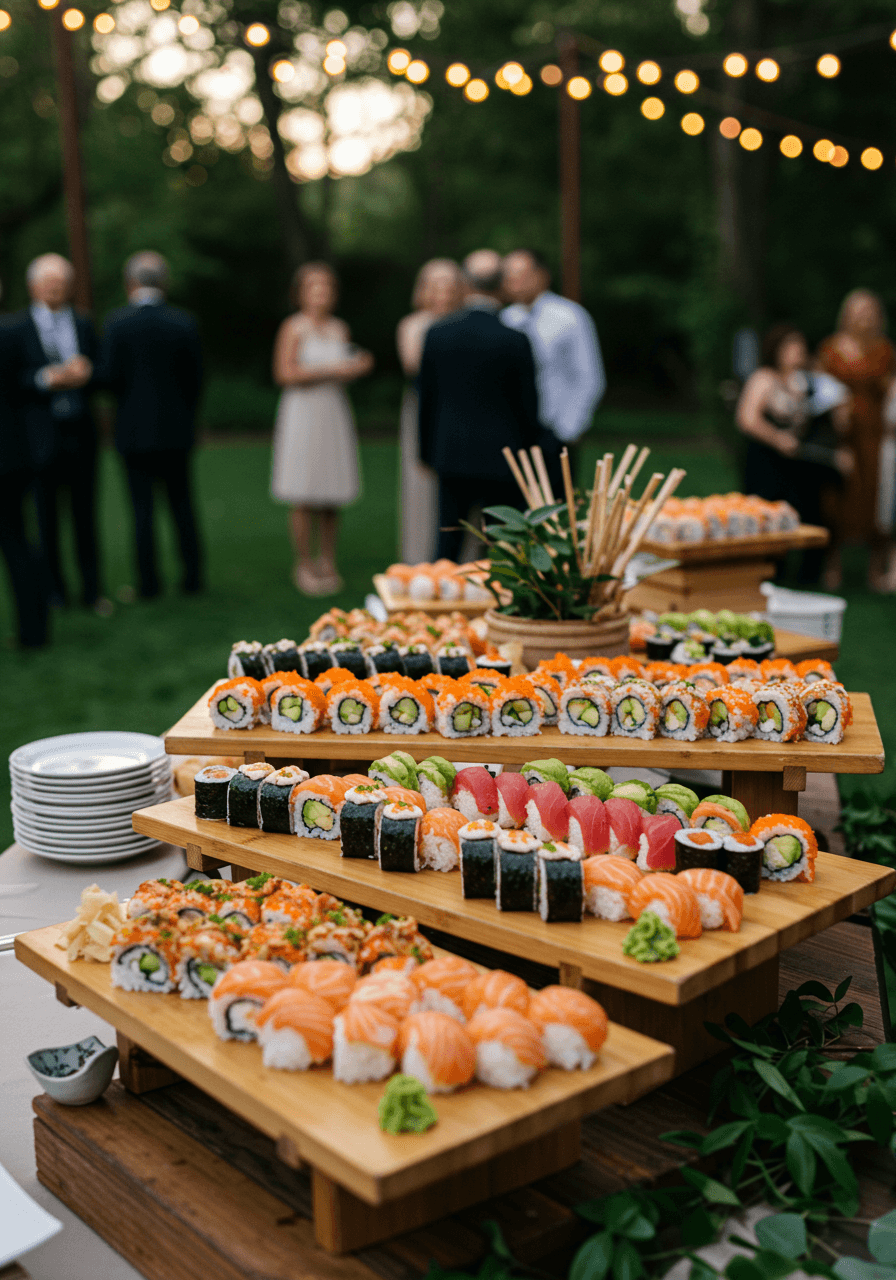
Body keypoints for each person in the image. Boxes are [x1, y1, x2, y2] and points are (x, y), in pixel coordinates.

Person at [418, 248, 541, 561]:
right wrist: (529, 452)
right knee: (501, 548)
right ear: (501, 287)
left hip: (451, 453)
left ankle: (442, 591)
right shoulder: (515, 339)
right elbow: (528, 406)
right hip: (504, 458)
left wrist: (426, 452)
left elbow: (427, 399)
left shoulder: (437, 334)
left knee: (447, 543)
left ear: (465, 285)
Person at [100, 251, 204, 599]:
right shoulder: (183, 322)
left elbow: (108, 378)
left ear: (130, 283)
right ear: (164, 282)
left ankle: (149, 584)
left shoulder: (117, 323)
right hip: (176, 432)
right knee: (183, 506)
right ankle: (193, 579)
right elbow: (195, 381)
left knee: (141, 510)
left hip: (134, 433)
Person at [9, 253, 107, 614]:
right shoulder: (16, 328)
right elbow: (11, 381)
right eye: (49, 282)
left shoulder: (82, 323)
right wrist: (46, 378)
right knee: (45, 518)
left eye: (61, 283)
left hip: (80, 433)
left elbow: (103, 371)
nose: (55, 288)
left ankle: (92, 590)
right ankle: (53, 591)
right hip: (39, 436)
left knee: (86, 515)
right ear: (33, 287)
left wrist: (86, 373)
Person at [271, 262, 373, 596]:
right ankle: (303, 562)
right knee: (303, 490)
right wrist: (333, 369)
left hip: (333, 410)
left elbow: (344, 369)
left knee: (332, 490)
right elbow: (284, 373)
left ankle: (327, 559)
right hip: (303, 412)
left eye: (326, 287)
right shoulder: (293, 327)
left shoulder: (340, 328)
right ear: (301, 293)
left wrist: (357, 367)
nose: (321, 293)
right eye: (313, 287)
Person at [736, 324, 851, 585]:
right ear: (776, 350)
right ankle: (764, 573)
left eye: (800, 347)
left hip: (796, 462)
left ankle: (804, 575)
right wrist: (777, 439)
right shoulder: (764, 378)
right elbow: (746, 419)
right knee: (765, 513)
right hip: (766, 459)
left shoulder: (806, 381)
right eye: (791, 347)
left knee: (805, 511)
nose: (797, 352)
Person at [501, 249, 605, 492]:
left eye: (521, 275)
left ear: (542, 275)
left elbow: (588, 376)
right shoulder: (506, 319)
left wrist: (569, 429)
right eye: (508, 276)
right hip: (512, 432)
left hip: (554, 430)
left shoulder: (569, 316)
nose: (514, 283)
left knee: (555, 504)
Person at [818, 289, 896, 591]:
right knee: (837, 497)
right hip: (840, 434)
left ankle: (875, 568)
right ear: (847, 314)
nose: (864, 317)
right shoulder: (830, 348)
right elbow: (820, 387)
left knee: (876, 497)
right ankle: (832, 564)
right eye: (858, 310)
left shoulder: (885, 350)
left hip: (876, 435)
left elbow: (890, 389)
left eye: (869, 310)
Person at [396, 259, 463, 563]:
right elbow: (414, 366)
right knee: (421, 483)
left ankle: (463, 558)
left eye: (449, 283)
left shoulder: (465, 322)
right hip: (425, 409)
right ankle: (419, 558)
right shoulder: (412, 325)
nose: (443, 291)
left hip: (463, 411)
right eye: (435, 284)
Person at [0, 313, 49, 648]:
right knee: (18, 541)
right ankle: (34, 631)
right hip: (13, 455)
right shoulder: (14, 334)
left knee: (16, 541)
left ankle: (33, 630)